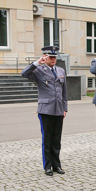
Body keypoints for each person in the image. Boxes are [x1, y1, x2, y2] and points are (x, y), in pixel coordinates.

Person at [21, 46, 68, 176]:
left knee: (56, 140)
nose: (53, 59)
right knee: (47, 139)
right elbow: (24, 73)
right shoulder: (39, 70)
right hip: (46, 109)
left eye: (54, 57)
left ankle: (57, 165)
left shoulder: (60, 70)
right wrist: (37, 62)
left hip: (58, 109)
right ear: (45, 57)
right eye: (50, 57)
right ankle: (48, 166)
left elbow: (64, 91)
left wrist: (65, 108)